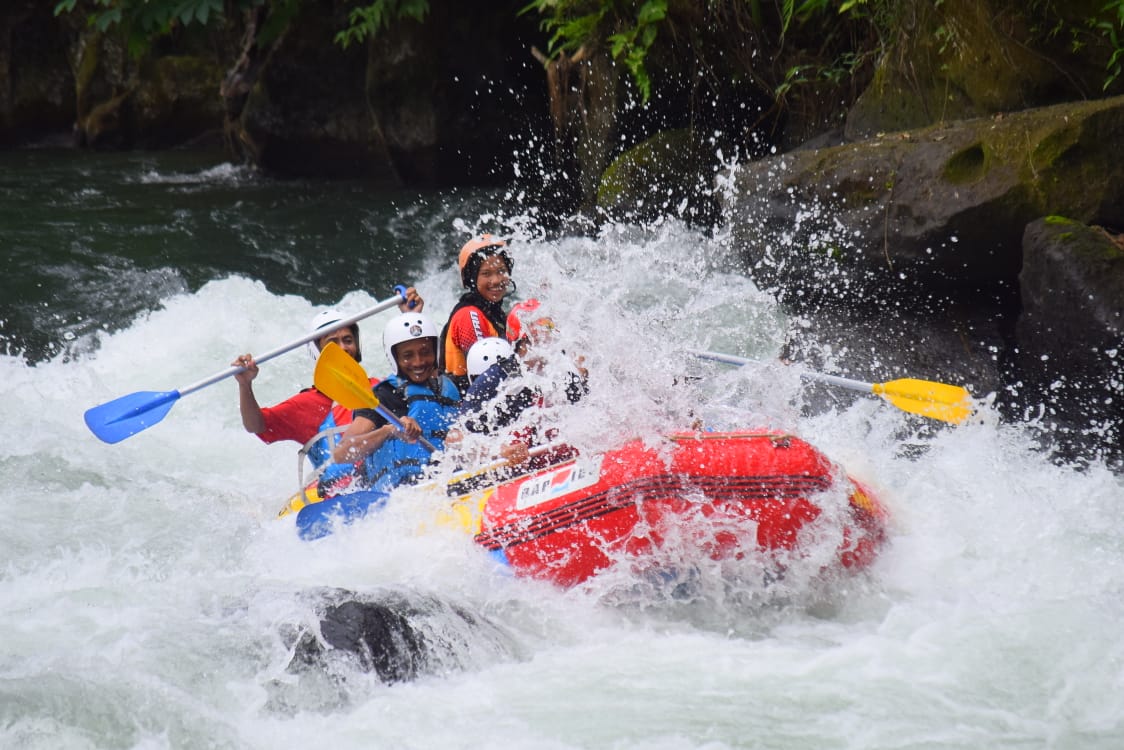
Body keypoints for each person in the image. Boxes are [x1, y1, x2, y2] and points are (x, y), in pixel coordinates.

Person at [295, 311, 461, 540]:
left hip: (447, 484)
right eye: (407, 356)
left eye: (425, 352)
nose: (418, 362)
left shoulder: (448, 387)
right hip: (404, 497)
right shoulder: (384, 396)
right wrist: (388, 431)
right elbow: (342, 453)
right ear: (394, 358)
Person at [232, 287, 424, 469]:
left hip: (389, 476)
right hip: (340, 492)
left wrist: (412, 318)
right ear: (318, 352)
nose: (343, 348)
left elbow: (422, 381)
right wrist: (245, 385)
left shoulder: (381, 388)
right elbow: (255, 425)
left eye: (348, 340)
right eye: (333, 343)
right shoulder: (305, 403)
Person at [439, 234, 515, 393]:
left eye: (501, 271)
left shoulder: (496, 314)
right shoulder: (468, 315)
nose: (495, 280)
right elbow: (486, 374)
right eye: (486, 274)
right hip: (467, 405)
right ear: (472, 278)